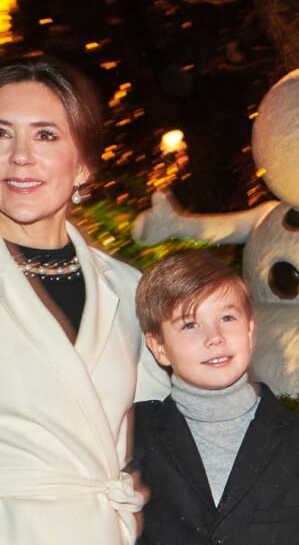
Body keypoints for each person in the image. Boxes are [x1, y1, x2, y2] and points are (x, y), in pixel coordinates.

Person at [0, 58, 169, 545]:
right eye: (3, 134)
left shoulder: (131, 288)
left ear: (84, 165)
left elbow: (170, 423)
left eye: (46, 135)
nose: (21, 157)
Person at [131, 248, 299, 545]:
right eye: (190, 324)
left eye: (228, 317)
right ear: (159, 347)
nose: (214, 337)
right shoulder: (131, 438)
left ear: (250, 329)